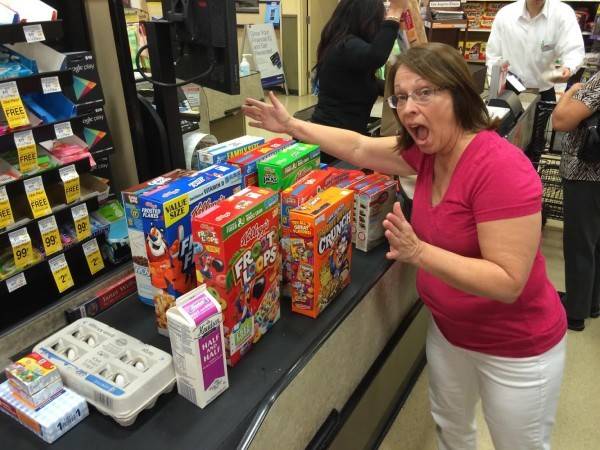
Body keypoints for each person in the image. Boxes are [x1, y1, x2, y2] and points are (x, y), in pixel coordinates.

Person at [243, 43, 567, 450]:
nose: (408, 107)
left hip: (516, 348)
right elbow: (360, 147)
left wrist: (420, 253)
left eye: (425, 92)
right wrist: (292, 125)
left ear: (458, 95)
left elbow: (508, 281)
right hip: (450, 334)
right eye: (400, 97)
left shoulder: (499, 168)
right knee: (451, 430)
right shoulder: (428, 154)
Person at [310, 0, 407, 138]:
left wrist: (401, 88)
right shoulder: (345, 46)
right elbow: (376, 56)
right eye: (379, 20)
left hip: (346, 134)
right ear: (367, 20)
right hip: (333, 138)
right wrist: (394, 12)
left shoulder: (346, 47)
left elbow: (367, 83)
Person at [552, 73, 600, 331]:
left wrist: (571, 92)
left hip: (587, 173)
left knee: (579, 243)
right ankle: (591, 302)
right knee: (595, 242)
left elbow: (560, 121)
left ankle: (575, 312)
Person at [486, 0, 584, 101]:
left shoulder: (563, 13)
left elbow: (574, 48)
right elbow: (493, 55)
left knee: (544, 117)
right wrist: (494, 86)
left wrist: (568, 67)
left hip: (543, 91)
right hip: (508, 91)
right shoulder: (505, 14)